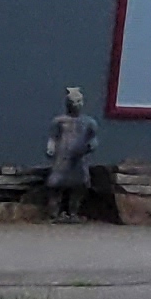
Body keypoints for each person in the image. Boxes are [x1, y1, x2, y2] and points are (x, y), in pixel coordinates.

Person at [44, 88, 100, 223]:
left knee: (79, 186)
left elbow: (93, 138)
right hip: (63, 156)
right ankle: (54, 213)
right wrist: (51, 147)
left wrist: (92, 145)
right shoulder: (59, 121)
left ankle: (73, 212)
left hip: (79, 158)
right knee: (57, 185)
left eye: (79, 101)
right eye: (73, 101)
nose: (77, 104)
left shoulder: (89, 122)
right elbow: (53, 137)